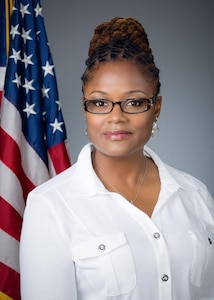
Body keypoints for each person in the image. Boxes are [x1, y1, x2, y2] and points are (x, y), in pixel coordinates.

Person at [20, 17, 214, 299]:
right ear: (85, 108)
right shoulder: (50, 205)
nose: (116, 117)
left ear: (156, 107)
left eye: (134, 102)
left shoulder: (195, 194)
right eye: (100, 102)